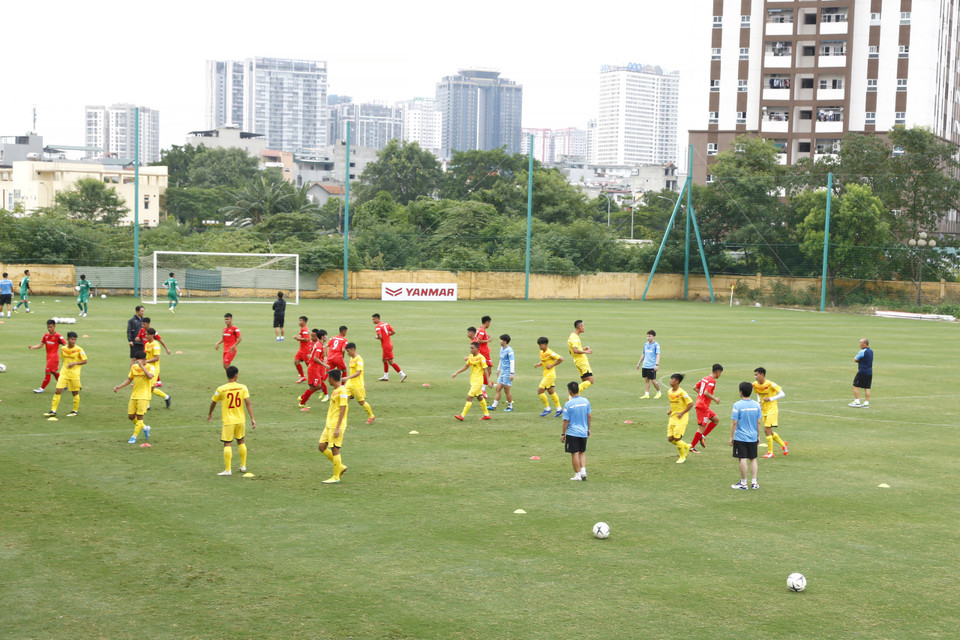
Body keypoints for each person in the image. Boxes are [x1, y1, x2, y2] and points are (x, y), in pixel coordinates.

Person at [208, 365, 256, 476]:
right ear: (236, 375)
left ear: (226, 374)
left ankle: (228, 470)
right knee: (241, 441)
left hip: (229, 421)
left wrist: (210, 414)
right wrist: (252, 418)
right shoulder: (243, 387)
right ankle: (243, 466)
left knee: (227, 443)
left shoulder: (221, 389)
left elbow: (213, 402)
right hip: (240, 420)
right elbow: (248, 403)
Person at [43, 331, 87, 421]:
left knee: (75, 392)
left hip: (74, 375)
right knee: (58, 390)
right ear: (68, 339)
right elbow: (64, 359)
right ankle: (53, 411)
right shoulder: (63, 349)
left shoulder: (79, 349)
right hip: (64, 374)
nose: (73, 341)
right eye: (72, 339)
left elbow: (85, 361)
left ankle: (75, 411)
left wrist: (74, 363)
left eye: (75, 340)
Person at [113, 350, 155, 444]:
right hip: (134, 395)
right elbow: (129, 379)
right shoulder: (134, 367)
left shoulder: (151, 367)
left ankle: (134, 437)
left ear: (145, 359)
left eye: (140, 360)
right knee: (131, 416)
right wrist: (119, 387)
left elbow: (150, 376)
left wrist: (142, 366)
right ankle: (145, 428)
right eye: (137, 360)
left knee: (140, 417)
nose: (138, 362)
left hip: (144, 396)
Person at [730, 381, 763, 489]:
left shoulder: (737, 405)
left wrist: (731, 437)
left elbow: (734, 422)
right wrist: (758, 436)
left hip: (741, 437)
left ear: (740, 392)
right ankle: (754, 483)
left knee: (743, 458)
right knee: (753, 458)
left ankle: (743, 483)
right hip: (753, 436)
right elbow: (758, 422)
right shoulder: (756, 405)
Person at [319, 369, 349, 484]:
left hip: (336, 425)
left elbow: (343, 408)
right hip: (329, 424)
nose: (327, 380)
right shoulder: (336, 391)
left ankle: (336, 477)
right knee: (322, 446)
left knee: (335, 449)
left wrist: (337, 428)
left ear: (332, 378)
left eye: (328, 378)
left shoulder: (342, 391)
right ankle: (340, 466)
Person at [753, 367, 788, 458]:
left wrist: (771, 398)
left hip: (772, 409)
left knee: (766, 429)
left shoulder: (771, 384)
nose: (755, 377)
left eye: (757, 375)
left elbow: (782, 394)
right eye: (755, 375)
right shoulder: (755, 384)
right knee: (769, 431)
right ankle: (783, 445)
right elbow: (758, 393)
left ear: (762, 375)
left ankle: (770, 452)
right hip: (763, 409)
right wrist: (759, 402)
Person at [452, 341, 491, 421]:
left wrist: (488, 381)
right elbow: (466, 366)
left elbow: (485, 370)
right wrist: (456, 373)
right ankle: (487, 415)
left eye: (472, 348)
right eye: (470, 348)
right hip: (473, 380)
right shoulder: (470, 357)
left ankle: (462, 416)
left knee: (469, 397)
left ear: (477, 349)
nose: (471, 350)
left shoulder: (481, 358)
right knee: (480, 397)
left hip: (478, 381)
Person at [561, 381, 592, 481]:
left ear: (570, 391)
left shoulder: (568, 404)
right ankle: (583, 471)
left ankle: (577, 475)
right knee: (582, 452)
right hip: (583, 431)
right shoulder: (585, 401)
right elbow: (589, 416)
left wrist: (563, 434)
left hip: (572, 433)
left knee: (575, 453)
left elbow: (566, 421)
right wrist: (588, 428)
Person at [690, 364, 723, 452]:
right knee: (702, 427)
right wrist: (715, 398)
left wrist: (701, 396)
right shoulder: (712, 381)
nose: (720, 375)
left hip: (702, 404)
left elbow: (695, 388)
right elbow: (706, 393)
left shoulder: (705, 378)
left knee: (715, 420)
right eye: (720, 373)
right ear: (718, 372)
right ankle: (691, 447)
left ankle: (702, 436)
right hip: (703, 406)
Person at [28, 319, 66, 393]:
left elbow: (65, 345)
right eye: (48, 327)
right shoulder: (46, 335)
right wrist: (33, 347)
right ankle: (64, 385)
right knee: (54, 372)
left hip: (54, 358)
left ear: (54, 327)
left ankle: (41, 388)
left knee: (47, 371)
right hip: (48, 357)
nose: (49, 329)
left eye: (51, 327)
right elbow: (41, 345)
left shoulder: (58, 336)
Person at [343, 342, 375, 424]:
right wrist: (348, 380)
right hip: (350, 384)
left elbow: (358, 372)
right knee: (345, 400)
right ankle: (342, 418)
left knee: (361, 402)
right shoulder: (351, 359)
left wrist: (347, 378)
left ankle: (371, 416)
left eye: (348, 351)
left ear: (353, 349)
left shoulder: (359, 359)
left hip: (357, 385)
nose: (347, 353)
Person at [666, 373, 694, 463]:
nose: (670, 381)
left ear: (677, 381)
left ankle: (682, 457)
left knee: (677, 438)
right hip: (673, 417)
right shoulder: (669, 391)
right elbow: (675, 404)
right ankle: (687, 446)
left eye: (672, 379)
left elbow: (691, 403)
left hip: (681, 418)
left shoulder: (682, 392)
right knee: (670, 439)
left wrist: (682, 413)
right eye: (670, 379)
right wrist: (670, 410)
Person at [298, 329, 329, 409]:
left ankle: (302, 398)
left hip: (314, 368)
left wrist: (312, 356)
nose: (327, 337)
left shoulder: (318, 344)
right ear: (322, 337)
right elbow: (315, 358)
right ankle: (302, 402)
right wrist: (324, 364)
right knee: (314, 387)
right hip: (313, 369)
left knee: (318, 386)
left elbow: (312, 352)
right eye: (326, 335)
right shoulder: (319, 346)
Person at [534, 336, 564, 417]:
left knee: (540, 391)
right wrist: (538, 365)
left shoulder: (550, 352)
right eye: (539, 345)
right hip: (546, 375)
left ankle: (547, 408)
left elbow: (561, 359)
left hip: (550, 375)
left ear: (545, 344)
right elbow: (543, 361)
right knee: (551, 392)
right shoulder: (541, 352)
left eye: (541, 345)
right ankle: (559, 409)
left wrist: (552, 365)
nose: (539, 346)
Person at [373, 313, 406, 382]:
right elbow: (393, 332)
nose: (373, 321)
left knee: (391, 362)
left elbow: (380, 336)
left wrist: (376, 337)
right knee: (384, 360)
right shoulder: (386, 324)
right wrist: (387, 335)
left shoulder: (377, 327)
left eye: (373, 319)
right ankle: (386, 376)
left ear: (377, 319)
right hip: (390, 344)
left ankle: (402, 374)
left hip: (386, 346)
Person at [144, 328, 172, 409]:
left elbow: (156, 358)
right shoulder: (147, 344)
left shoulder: (156, 345)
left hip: (154, 369)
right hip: (147, 368)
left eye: (147, 334)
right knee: (149, 387)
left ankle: (147, 405)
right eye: (145, 334)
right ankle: (166, 397)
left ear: (152, 335)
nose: (146, 336)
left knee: (149, 387)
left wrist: (146, 361)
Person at [488, 334, 515, 412]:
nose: (500, 341)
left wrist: (512, 373)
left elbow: (512, 362)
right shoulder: (501, 349)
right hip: (503, 372)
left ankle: (510, 406)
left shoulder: (509, 350)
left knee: (506, 390)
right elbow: (501, 360)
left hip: (508, 372)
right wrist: (498, 370)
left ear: (505, 341)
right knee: (498, 388)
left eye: (501, 340)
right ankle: (494, 406)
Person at [568, 320, 594, 393]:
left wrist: (583, 349)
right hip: (582, 362)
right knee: (590, 380)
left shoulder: (571, 336)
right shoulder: (575, 338)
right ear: (580, 327)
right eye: (583, 326)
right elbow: (575, 351)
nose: (584, 328)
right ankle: (572, 394)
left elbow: (571, 351)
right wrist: (587, 352)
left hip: (577, 362)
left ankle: (574, 396)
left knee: (585, 381)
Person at [637, 330, 661, 399]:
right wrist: (639, 363)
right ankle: (646, 394)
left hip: (652, 366)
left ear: (654, 336)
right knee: (646, 380)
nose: (648, 337)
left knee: (653, 380)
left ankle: (659, 392)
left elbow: (658, 355)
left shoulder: (656, 345)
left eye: (650, 336)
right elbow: (643, 354)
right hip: (645, 365)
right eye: (647, 336)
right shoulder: (646, 344)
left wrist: (657, 364)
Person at [849, 338, 873, 408]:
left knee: (855, 386)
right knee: (867, 387)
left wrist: (861, 361)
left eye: (861, 343)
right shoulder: (871, 351)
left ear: (865, 344)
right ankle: (866, 403)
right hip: (869, 372)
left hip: (862, 372)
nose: (860, 344)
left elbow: (855, 359)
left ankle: (857, 401)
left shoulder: (862, 351)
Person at [476, 315, 493, 393]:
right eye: (489, 323)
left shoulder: (479, 329)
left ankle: (481, 386)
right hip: (484, 353)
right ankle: (482, 388)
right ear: (487, 322)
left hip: (481, 352)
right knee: (488, 371)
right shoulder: (482, 330)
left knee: (482, 371)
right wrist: (488, 340)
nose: (489, 325)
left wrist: (486, 337)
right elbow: (479, 340)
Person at [293, 316, 311, 382]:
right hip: (301, 350)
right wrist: (298, 338)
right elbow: (302, 338)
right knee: (296, 361)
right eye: (299, 320)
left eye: (300, 320)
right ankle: (302, 376)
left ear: (304, 322)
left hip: (306, 350)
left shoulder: (305, 329)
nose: (299, 322)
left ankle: (315, 377)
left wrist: (298, 338)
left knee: (309, 365)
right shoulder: (302, 329)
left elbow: (306, 339)